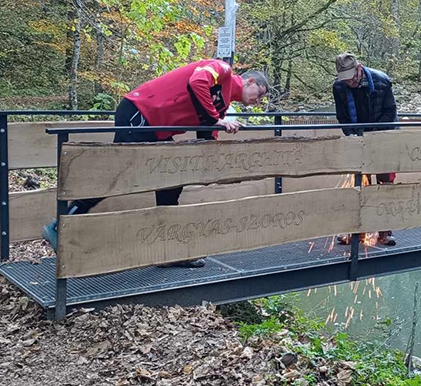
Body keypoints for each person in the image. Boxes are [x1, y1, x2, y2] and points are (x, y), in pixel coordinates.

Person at [42, 60, 269, 267]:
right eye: (259, 94)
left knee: (172, 180)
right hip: (138, 112)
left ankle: (167, 252)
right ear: (249, 81)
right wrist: (218, 120)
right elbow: (197, 81)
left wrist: (214, 161)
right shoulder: (223, 70)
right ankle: (60, 224)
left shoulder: (222, 104)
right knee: (120, 176)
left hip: (155, 129)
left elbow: (206, 133)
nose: (257, 101)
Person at [332, 52, 398, 246]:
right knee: (358, 186)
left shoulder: (382, 81)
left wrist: (372, 135)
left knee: (384, 186)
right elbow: (342, 117)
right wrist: (353, 136)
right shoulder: (339, 87)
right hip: (357, 139)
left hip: (383, 137)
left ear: (359, 68)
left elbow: (390, 113)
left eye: (352, 77)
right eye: (345, 79)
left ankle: (385, 232)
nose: (349, 82)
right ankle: (356, 233)